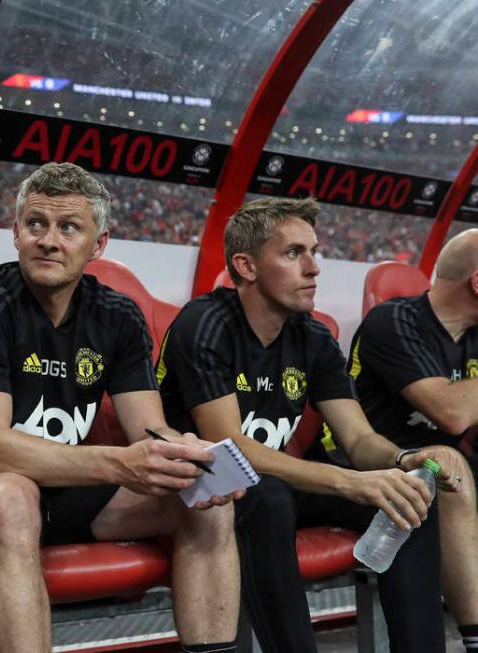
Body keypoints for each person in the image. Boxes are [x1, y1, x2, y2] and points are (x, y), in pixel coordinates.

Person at [0, 162, 242, 653]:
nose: (49, 240)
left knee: (205, 502)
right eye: (36, 224)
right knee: (10, 497)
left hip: (62, 487)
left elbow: (147, 429)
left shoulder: (119, 314)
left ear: (98, 244)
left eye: (68, 228)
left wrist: (187, 454)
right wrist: (117, 464)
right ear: (16, 233)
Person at [156, 196, 468, 653]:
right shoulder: (205, 324)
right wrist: (347, 483)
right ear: (246, 266)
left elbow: (359, 438)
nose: (313, 267)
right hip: (205, 490)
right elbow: (231, 446)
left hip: (274, 481)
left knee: (409, 495)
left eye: (313, 251)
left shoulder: (314, 336)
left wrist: (402, 460)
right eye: (293, 253)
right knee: (269, 497)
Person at [346, 227, 478, 651]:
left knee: (446, 464)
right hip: (370, 466)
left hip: (439, 466)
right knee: (442, 466)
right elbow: (452, 413)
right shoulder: (394, 320)